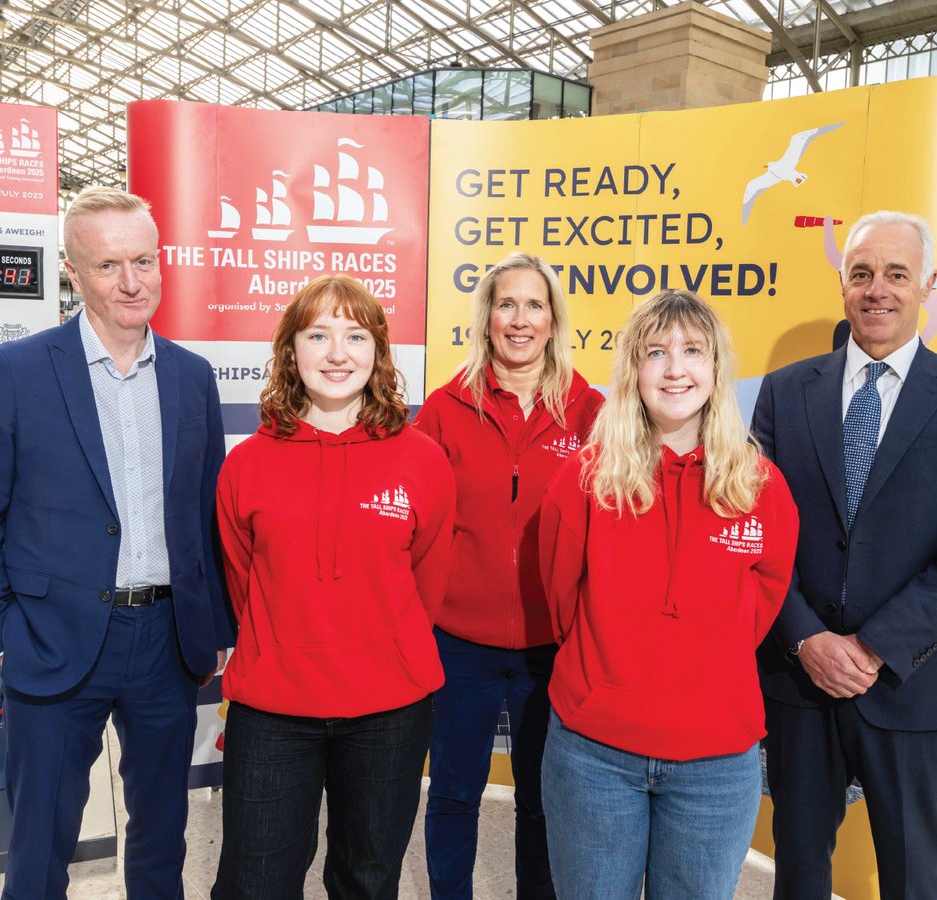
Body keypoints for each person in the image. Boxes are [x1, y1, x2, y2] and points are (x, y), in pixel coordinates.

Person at [0, 186, 233, 898]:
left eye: (144, 260)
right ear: (73, 273)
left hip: (166, 644)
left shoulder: (193, 379)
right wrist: (0, 634)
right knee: (40, 845)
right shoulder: (14, 372)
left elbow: (205, 516)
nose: (132, 283)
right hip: (50, 641)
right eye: (109, 266)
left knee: (162, 836)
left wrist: (213, 626)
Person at [752, 210, 937, 899]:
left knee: (913, 875)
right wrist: (807, 636)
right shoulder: (785, 393)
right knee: (799, 867)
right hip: (799, 679)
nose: (878, 290)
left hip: (916, 681)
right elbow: (755, 532)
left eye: (897, 274)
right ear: (842, 284)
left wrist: (871, 647)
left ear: (928, 284)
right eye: (862, 273)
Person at [538, 289, 799, 900]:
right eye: (656, 352)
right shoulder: (585, 478)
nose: (675, 368)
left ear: (717, 368)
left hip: (716, 760)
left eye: (692, 351)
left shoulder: (761, 486)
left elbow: (763, 601)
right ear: (633, 368)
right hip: (595, 753)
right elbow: (561, 601)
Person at [211, 274, 455, 899]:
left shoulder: (422, 459)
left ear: (378, 352)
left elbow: (427, 583)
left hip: (390, 711)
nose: (337, 353)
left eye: (354, 335)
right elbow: (244, 583)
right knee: (254, 882)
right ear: (291, 351)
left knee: (368, 880)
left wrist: (386, 647)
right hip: (273, 710)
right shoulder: (246, 464)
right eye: (318, 335)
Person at [415, 253, 603, 899]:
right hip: (458, 643)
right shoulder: (443, 409)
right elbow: (414, 524)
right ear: (487, 317)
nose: (519, 320)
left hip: (552, 645)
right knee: (454, 792)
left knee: (543, 800)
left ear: (553, 320)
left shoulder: (592, 412)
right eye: (506, 304)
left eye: (534, 305)